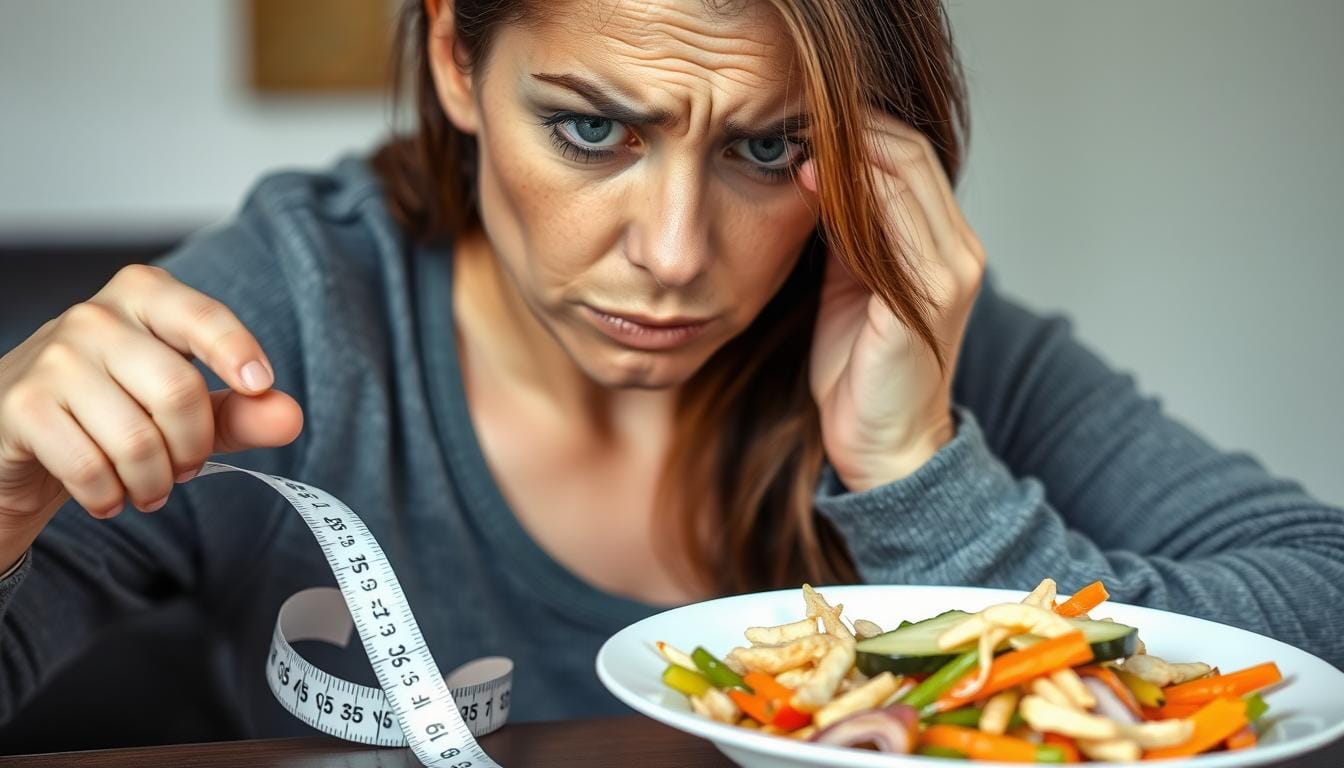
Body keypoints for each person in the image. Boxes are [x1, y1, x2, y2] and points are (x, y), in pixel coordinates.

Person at [1, 0, 1341, 741]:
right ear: (460, 56)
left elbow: (1321, 602)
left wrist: (925, 476)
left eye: (768, 150)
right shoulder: (288, 316)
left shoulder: (909, 345)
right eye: (590, 127)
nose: (675, 255)